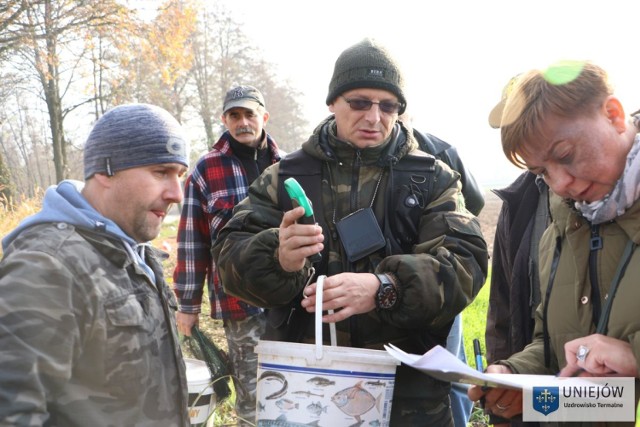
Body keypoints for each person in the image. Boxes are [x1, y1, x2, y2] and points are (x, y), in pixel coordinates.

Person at [212, 38, 488, 426]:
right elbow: (229, 260)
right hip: (307, 383)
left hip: (409, 392)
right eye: (360, 103)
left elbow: (466, 263)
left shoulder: (433, 178)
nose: (374, 117)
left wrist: (385, 287)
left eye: (388, 106)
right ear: (333, 103)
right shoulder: (285, 177)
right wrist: (278, 256)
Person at [468, 60, 640, 426]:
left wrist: (634, 355)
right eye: (542, 172)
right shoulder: (559, 235)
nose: (560, 184)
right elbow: (596, 389)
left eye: (564, 155)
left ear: (614, 114)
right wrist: (520, 381)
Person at [0, 103, 191, 426]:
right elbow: (11, 410)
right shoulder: (50, 264)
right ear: (105, 171)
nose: (177, 193)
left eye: (180, 175)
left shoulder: (134, 253)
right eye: (161, 172)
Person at [173, 85, 282, 425]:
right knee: (251, 396)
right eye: (235, 115)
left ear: (263, 117)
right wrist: (188, 307)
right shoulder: (206, 169)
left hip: (290, 299)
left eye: (250, 114)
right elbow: (192, 241)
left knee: (291, 388)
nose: (243, 122)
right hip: (240, 302)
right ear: (224, 120)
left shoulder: (291, 165)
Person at [484, 75, 551, 427]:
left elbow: (613, 400)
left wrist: (546, 402)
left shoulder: (602, 200)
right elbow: (503, 307)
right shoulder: (519, 201)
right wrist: (503, 376)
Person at [411, 125, 486, 427]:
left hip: (439, 279)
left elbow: (474, 201)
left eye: (392, 106)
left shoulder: (438, 150)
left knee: (450, 370)